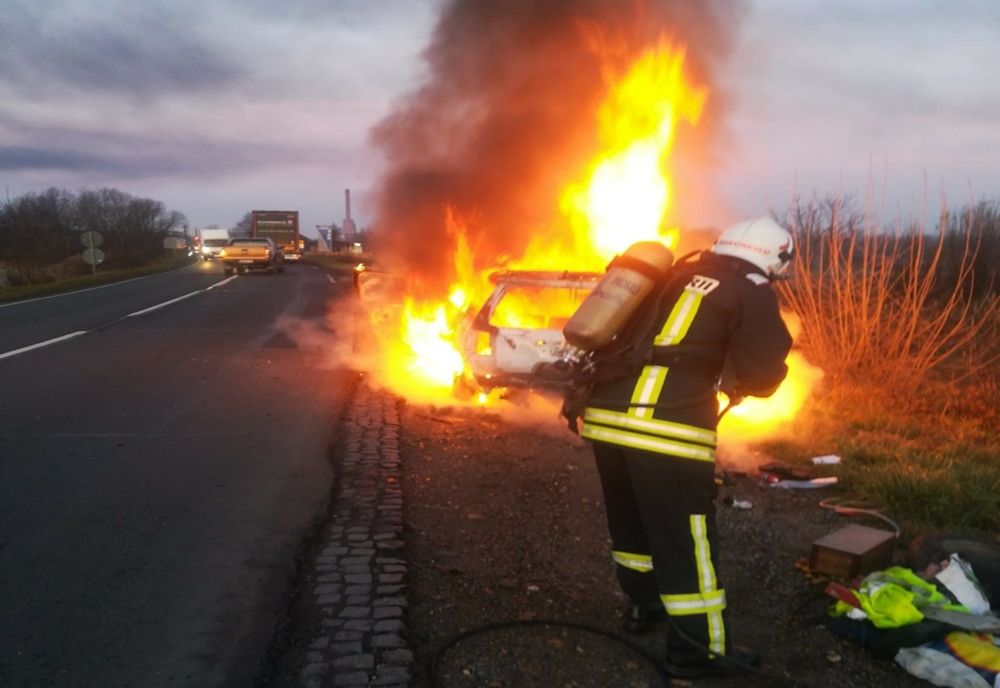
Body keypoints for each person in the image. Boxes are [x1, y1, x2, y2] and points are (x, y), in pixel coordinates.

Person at [575, 217, 794, 678]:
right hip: (666, 428)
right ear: (773, 258)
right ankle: (698, 651)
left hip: (606, 416)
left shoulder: (669, 274)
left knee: (631, 523)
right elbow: (761, 372)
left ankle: (642, 607)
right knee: (687, 540)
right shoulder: (751, 287)